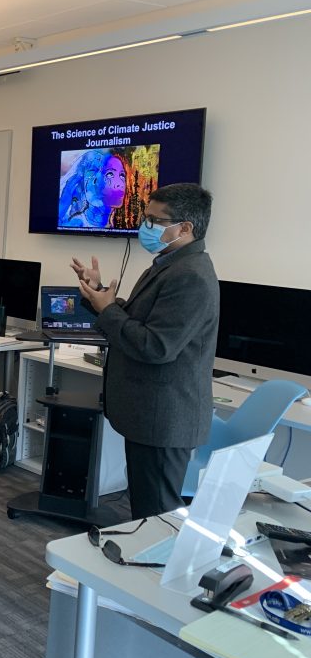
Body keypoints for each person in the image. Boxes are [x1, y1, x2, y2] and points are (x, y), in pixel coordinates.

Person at [72, 183, 218, 520]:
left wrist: (108, 310)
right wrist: (98, 295)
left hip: (164, 418)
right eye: (145, 216)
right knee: (146, 511)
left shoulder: (190, 276)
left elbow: (156, 346)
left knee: (156, 519)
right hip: (151, 414)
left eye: (154, 220)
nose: (145, 225)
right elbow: (139, 320)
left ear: (185, 228)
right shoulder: (169, 264)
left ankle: (158, 572)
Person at [58, 150, 130, 229]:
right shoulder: (76, 224)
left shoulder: (123, 222)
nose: (120, 184)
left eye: (122, 175)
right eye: (110, 174)